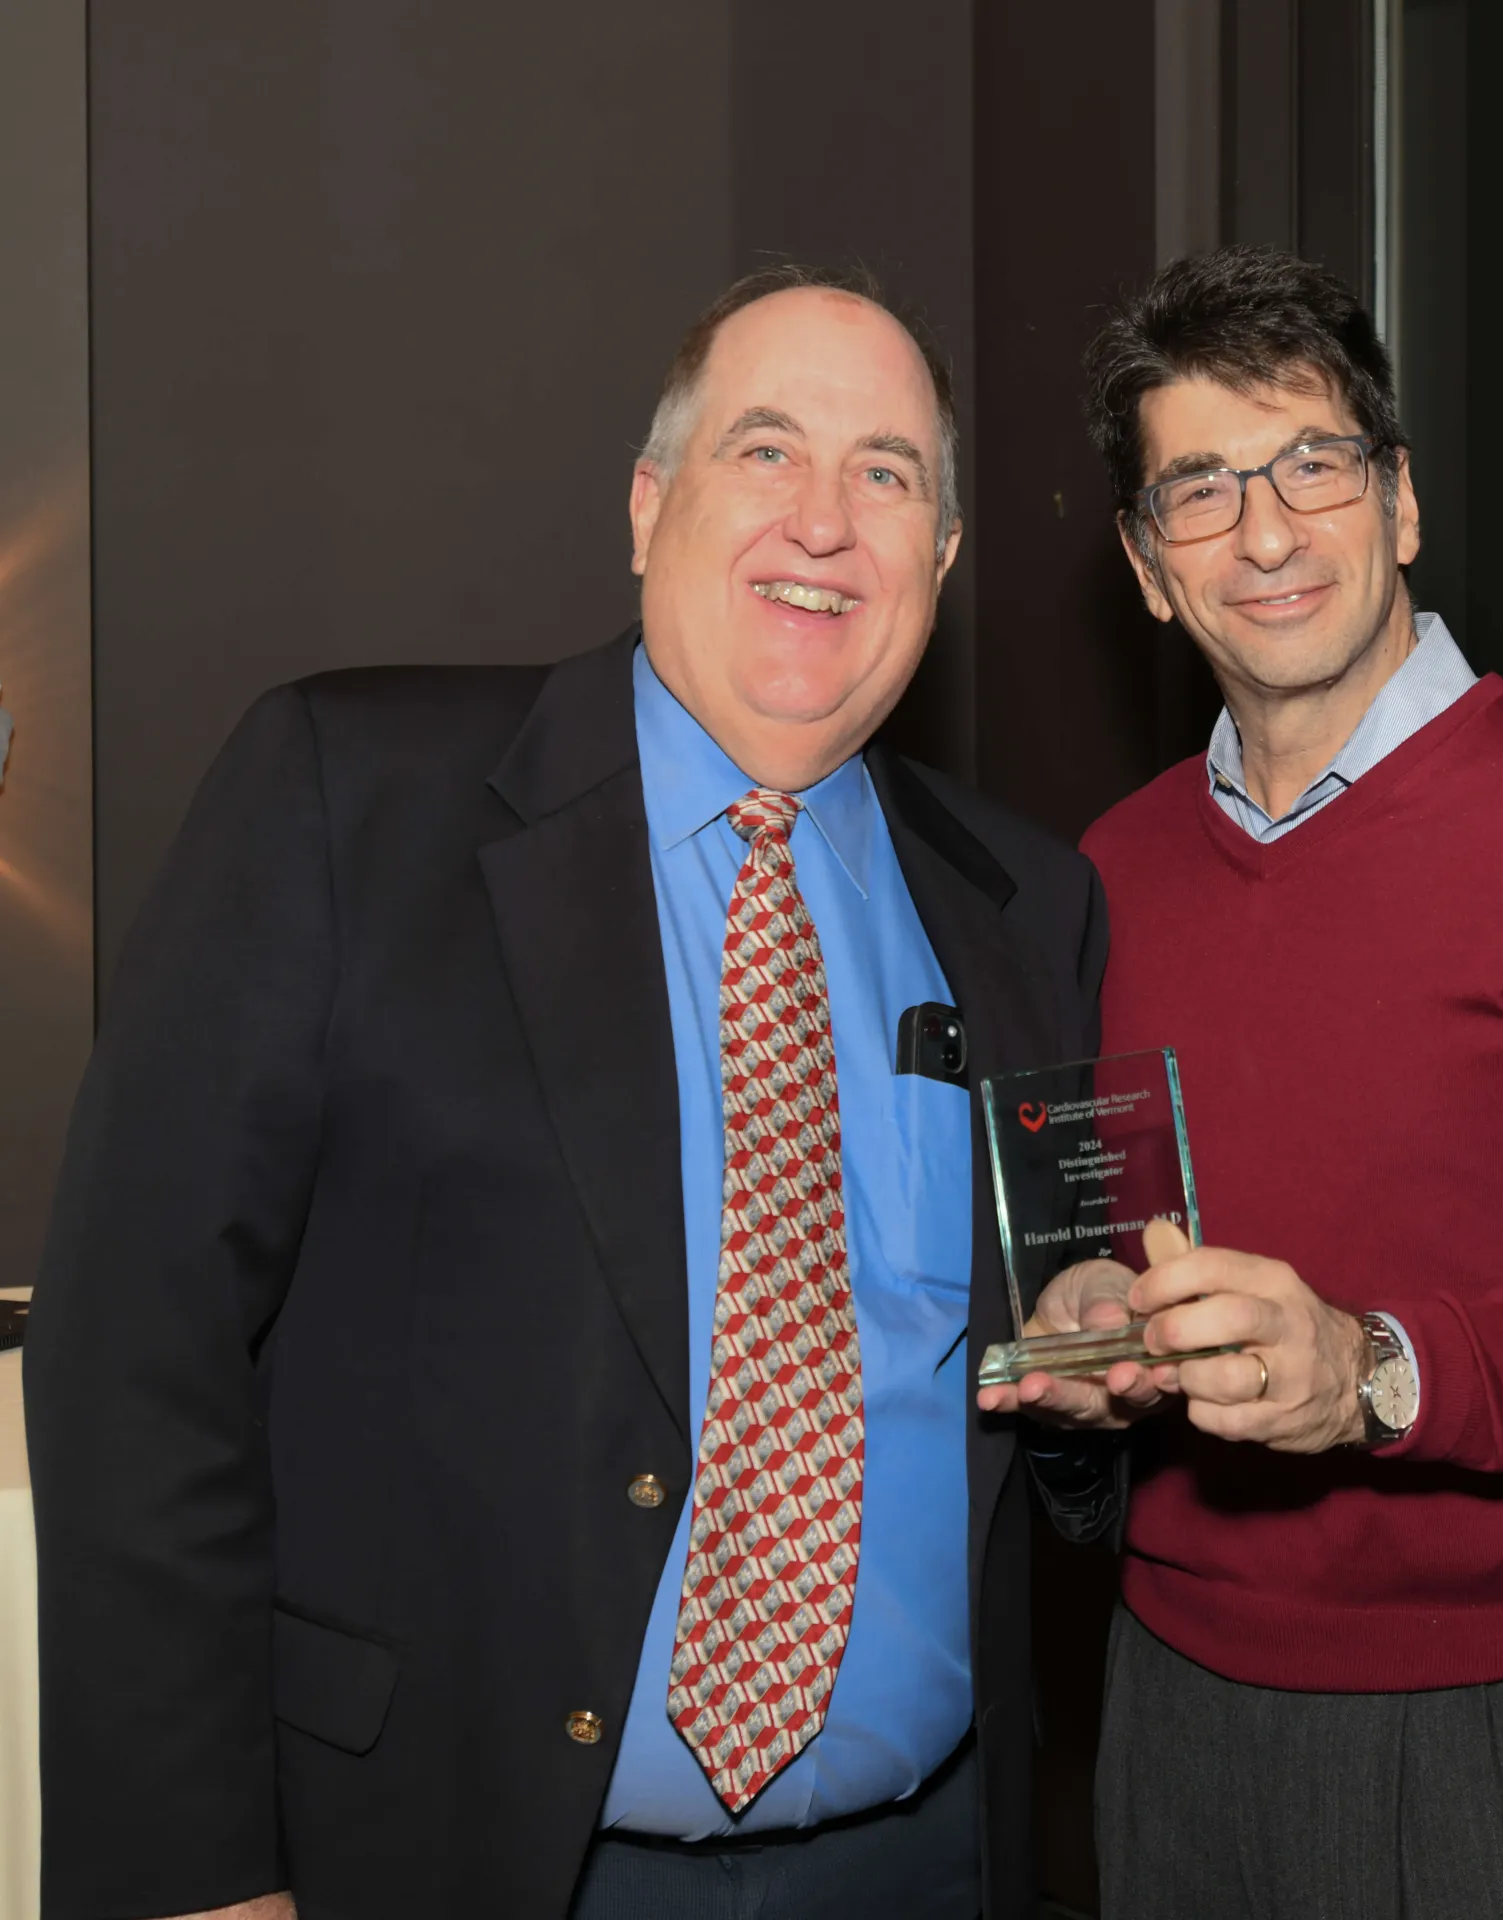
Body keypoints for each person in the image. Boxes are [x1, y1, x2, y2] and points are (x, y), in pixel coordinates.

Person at [29, 262, 1105, 1920]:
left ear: (942, 561)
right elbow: (134, 1350)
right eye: (766, 450)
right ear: (646, 505)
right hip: (465, 1860)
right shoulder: (349, 802)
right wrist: (193, 1874)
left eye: (886, 474)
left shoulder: (1028, 909)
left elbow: (1039, 1416)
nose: (826, 520)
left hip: (922, 1864)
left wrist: (1113, 1388)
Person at [980, 244, 1503, 1918]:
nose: (1270, 531)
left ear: (1402, 504)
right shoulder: (1110, 870)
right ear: (1149, 570)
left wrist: (1379, 1372)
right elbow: (1122, 1231)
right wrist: (1086, 1335)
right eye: (1201, 490)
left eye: (1314, 464)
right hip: (1176, 1706)